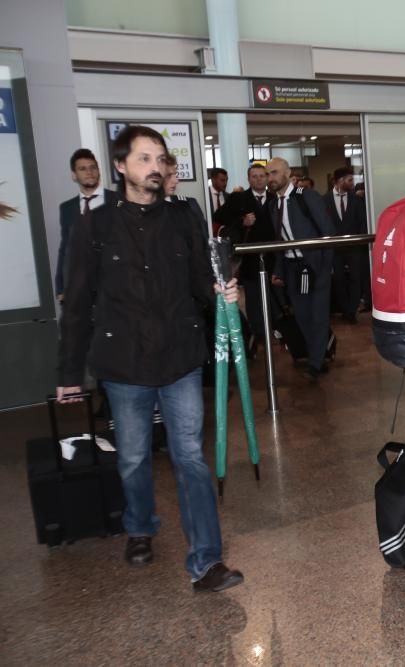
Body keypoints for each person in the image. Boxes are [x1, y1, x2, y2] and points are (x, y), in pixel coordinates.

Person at [56, 125, 244, 592]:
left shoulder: (184, 217)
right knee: (135, 458)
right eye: (144, 158)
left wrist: (221, 289)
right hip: (124, 365)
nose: (155, 167)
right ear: (120, 167)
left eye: (160, 158)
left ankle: (207, 560)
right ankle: (140, 525)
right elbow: (78, 304)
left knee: (190, 460)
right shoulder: (94, 227)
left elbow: (202, 278)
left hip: (179, 357)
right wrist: (68, 373)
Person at [267, 157, 335, 377]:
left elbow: (327, 232)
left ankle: (316, 362)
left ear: (287, 174)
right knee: (303, 315)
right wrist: (278, 269)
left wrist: (325, 265)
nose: (271, 178)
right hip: (293, 268)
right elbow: (279, 241)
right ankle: (318, 353)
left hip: (315, 266)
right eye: (268, 174)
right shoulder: (273, 204)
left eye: (274, 173)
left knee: (318, 314)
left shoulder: (307, 197)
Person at [214, 164, 276, 350]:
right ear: (249, 179)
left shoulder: (275, 198)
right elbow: (219, 218)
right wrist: (242, 222)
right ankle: (258, 333)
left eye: (261, 176)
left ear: (266, 178)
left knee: (274, 295)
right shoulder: (239, 198)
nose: (258, 179)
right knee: (253, 296)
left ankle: (274, 329)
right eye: (254, 176)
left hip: (274, 255)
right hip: (249, 256)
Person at [55, 149, 117, 302]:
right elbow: (65, 248)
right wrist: (61, 287)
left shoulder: (118, 201)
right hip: (80, 287)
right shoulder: (67, 208)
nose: (89, 172)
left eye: (93, 167)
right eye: (82, 169)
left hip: (115, 286)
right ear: (74, 175)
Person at [325, 167, 368, 323]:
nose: (352, 183)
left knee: (356, 279)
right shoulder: (325, 200)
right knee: (339, 280)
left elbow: (362, 222)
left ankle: (351, 311)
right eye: (349, 180)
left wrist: (363, 246)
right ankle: (344, 309)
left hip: (354, 248)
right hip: (335, 249)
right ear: (339, 181)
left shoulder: (357, 200)